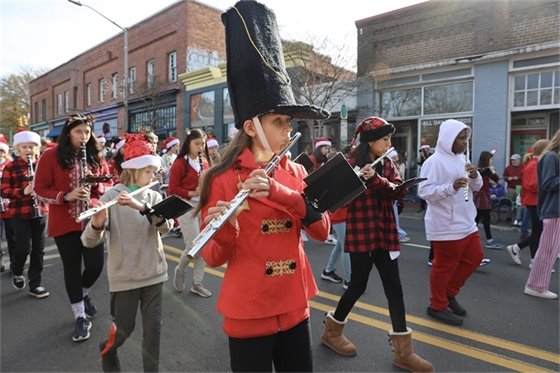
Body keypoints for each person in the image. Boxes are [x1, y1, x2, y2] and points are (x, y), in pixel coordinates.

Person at [199, 1, 331, 371]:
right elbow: (212, 257)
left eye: (288, 121)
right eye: (278, 121)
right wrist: (225, 226)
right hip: (248, 311)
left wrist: (281, 193)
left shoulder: (296, 172)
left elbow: (322, 230)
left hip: (294, 305)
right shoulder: (221, 178)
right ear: (251, 126)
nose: (287, 130)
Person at [321, 116, 433, 373]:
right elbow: (335, 197)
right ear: (371, 142)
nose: (389, 143)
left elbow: (397, 191)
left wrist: (376, 180)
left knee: (394, 288)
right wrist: (356, 178)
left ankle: (404, 352)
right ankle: (332, 330)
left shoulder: (388, 164)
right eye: (385, 139)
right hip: (362, 233)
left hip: (383, 233)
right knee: (357, 286)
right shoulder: (350, 162)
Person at [81, 133, 173, 372]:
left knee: (154, 330)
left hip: (154, 273)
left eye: (154, 171)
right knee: (124, 329)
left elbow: (166, 227)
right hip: (125, 278)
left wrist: (141, 207)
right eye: (148, 171)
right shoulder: (111, 196)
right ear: (133, 170)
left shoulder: (153, 195)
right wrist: (98, 222)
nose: (153, 176)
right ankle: (108, 349)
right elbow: (89, 241)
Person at [34, 113, 112, 342]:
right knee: (71, 267)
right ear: (68, 133)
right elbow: (39, 189)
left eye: (87, 132)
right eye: (78, 131)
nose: (83, 136)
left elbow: (108, 184)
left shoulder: (96, 156)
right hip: (64, 222)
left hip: (92, 221)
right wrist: (66, 195)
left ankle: (84, 293)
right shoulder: (50, 156)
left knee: (96, 266)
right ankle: (79, 316)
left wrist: (96, 185)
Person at [418, 119, 483, 327]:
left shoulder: (462, 158)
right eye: (460, 138)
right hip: (446, 224)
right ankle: (437, 306)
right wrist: (451, 187)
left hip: (467, 222)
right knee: (443, 266)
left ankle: (448, 294)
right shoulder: (433, 161)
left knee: (475, 258)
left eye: (466, 138)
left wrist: (474, 176)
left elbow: (477, 187)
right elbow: (424, 191)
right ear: (448, 139)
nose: (465, 142)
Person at [1, 130, 49, 297]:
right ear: (18, 148)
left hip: (40, 211)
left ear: (37, 149)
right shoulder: (10, 167)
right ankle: (18, 271)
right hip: (19, 212)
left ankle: (35, 284)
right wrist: (24, 190)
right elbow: (4, 191)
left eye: (31, 147)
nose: (28, 150)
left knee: (39, 249)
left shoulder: (42, 165)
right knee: (22, 248)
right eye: (24, 147)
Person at [170, 128, 213, 297]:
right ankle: (180, 270)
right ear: (188, 143)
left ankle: (197, 283)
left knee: (202, 243)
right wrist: (192, 192)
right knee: (195, 245)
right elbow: (173, 189)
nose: (201, 147)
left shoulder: (206, 162)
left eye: (203, 143)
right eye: (197, 143)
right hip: (185, 206)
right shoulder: (180, 163)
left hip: (202, 206)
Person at [523, 130, 560, 299]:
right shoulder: (551, 156)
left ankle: (537, 285)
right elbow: (548, 183)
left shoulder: (551, 156)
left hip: (553, 210)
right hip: (553, 210)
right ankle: (536, 286)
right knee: (547, 250)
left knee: (549, 250)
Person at [506, 140, 550, 266]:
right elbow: (532, 185)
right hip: (534, 201)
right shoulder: (534, 165)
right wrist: (548, 184)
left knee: (539, 230)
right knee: (539, 230)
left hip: (535, 201)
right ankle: (533, 260)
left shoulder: (535, 163)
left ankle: (518, 249)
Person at [473, 151, 502, 249]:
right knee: (478, 218)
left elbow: (496, 179)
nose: (492, 160)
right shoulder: (478, 169)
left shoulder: (486, 169)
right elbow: (480, 175)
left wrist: (492, 171)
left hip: (483, 195)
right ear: (486, 159)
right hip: (480, 195)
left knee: (481, 218)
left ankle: (487, 239)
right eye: (491, 158)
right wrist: (489, 171)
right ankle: (483, 240)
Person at [0, 134, 14, 273]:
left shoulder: (10, 166)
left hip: (8, 207)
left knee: (12, 237)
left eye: (1, 151)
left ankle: (14, 262)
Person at [389, 149, 409, 242]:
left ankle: (397, 233)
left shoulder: (395, 166)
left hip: (395, 196)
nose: (395, 159)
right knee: (393, 215)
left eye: (395, 157)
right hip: (391, 195)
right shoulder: (389, 166)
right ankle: (397, 233)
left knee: (395, 215)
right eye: (393, 158)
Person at [503, 153, 523, 224]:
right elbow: (504, 176)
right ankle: (509, 216)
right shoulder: (508, 168)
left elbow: (524, 177)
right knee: (510, 203)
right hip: (510, 187)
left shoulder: (523, 167)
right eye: (512, 160)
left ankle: (518, 218)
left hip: (519, 187)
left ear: (519, 160)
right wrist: (508, 178)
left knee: (518, 203)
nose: (513, 161)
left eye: (515, 160)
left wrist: (517, 178)